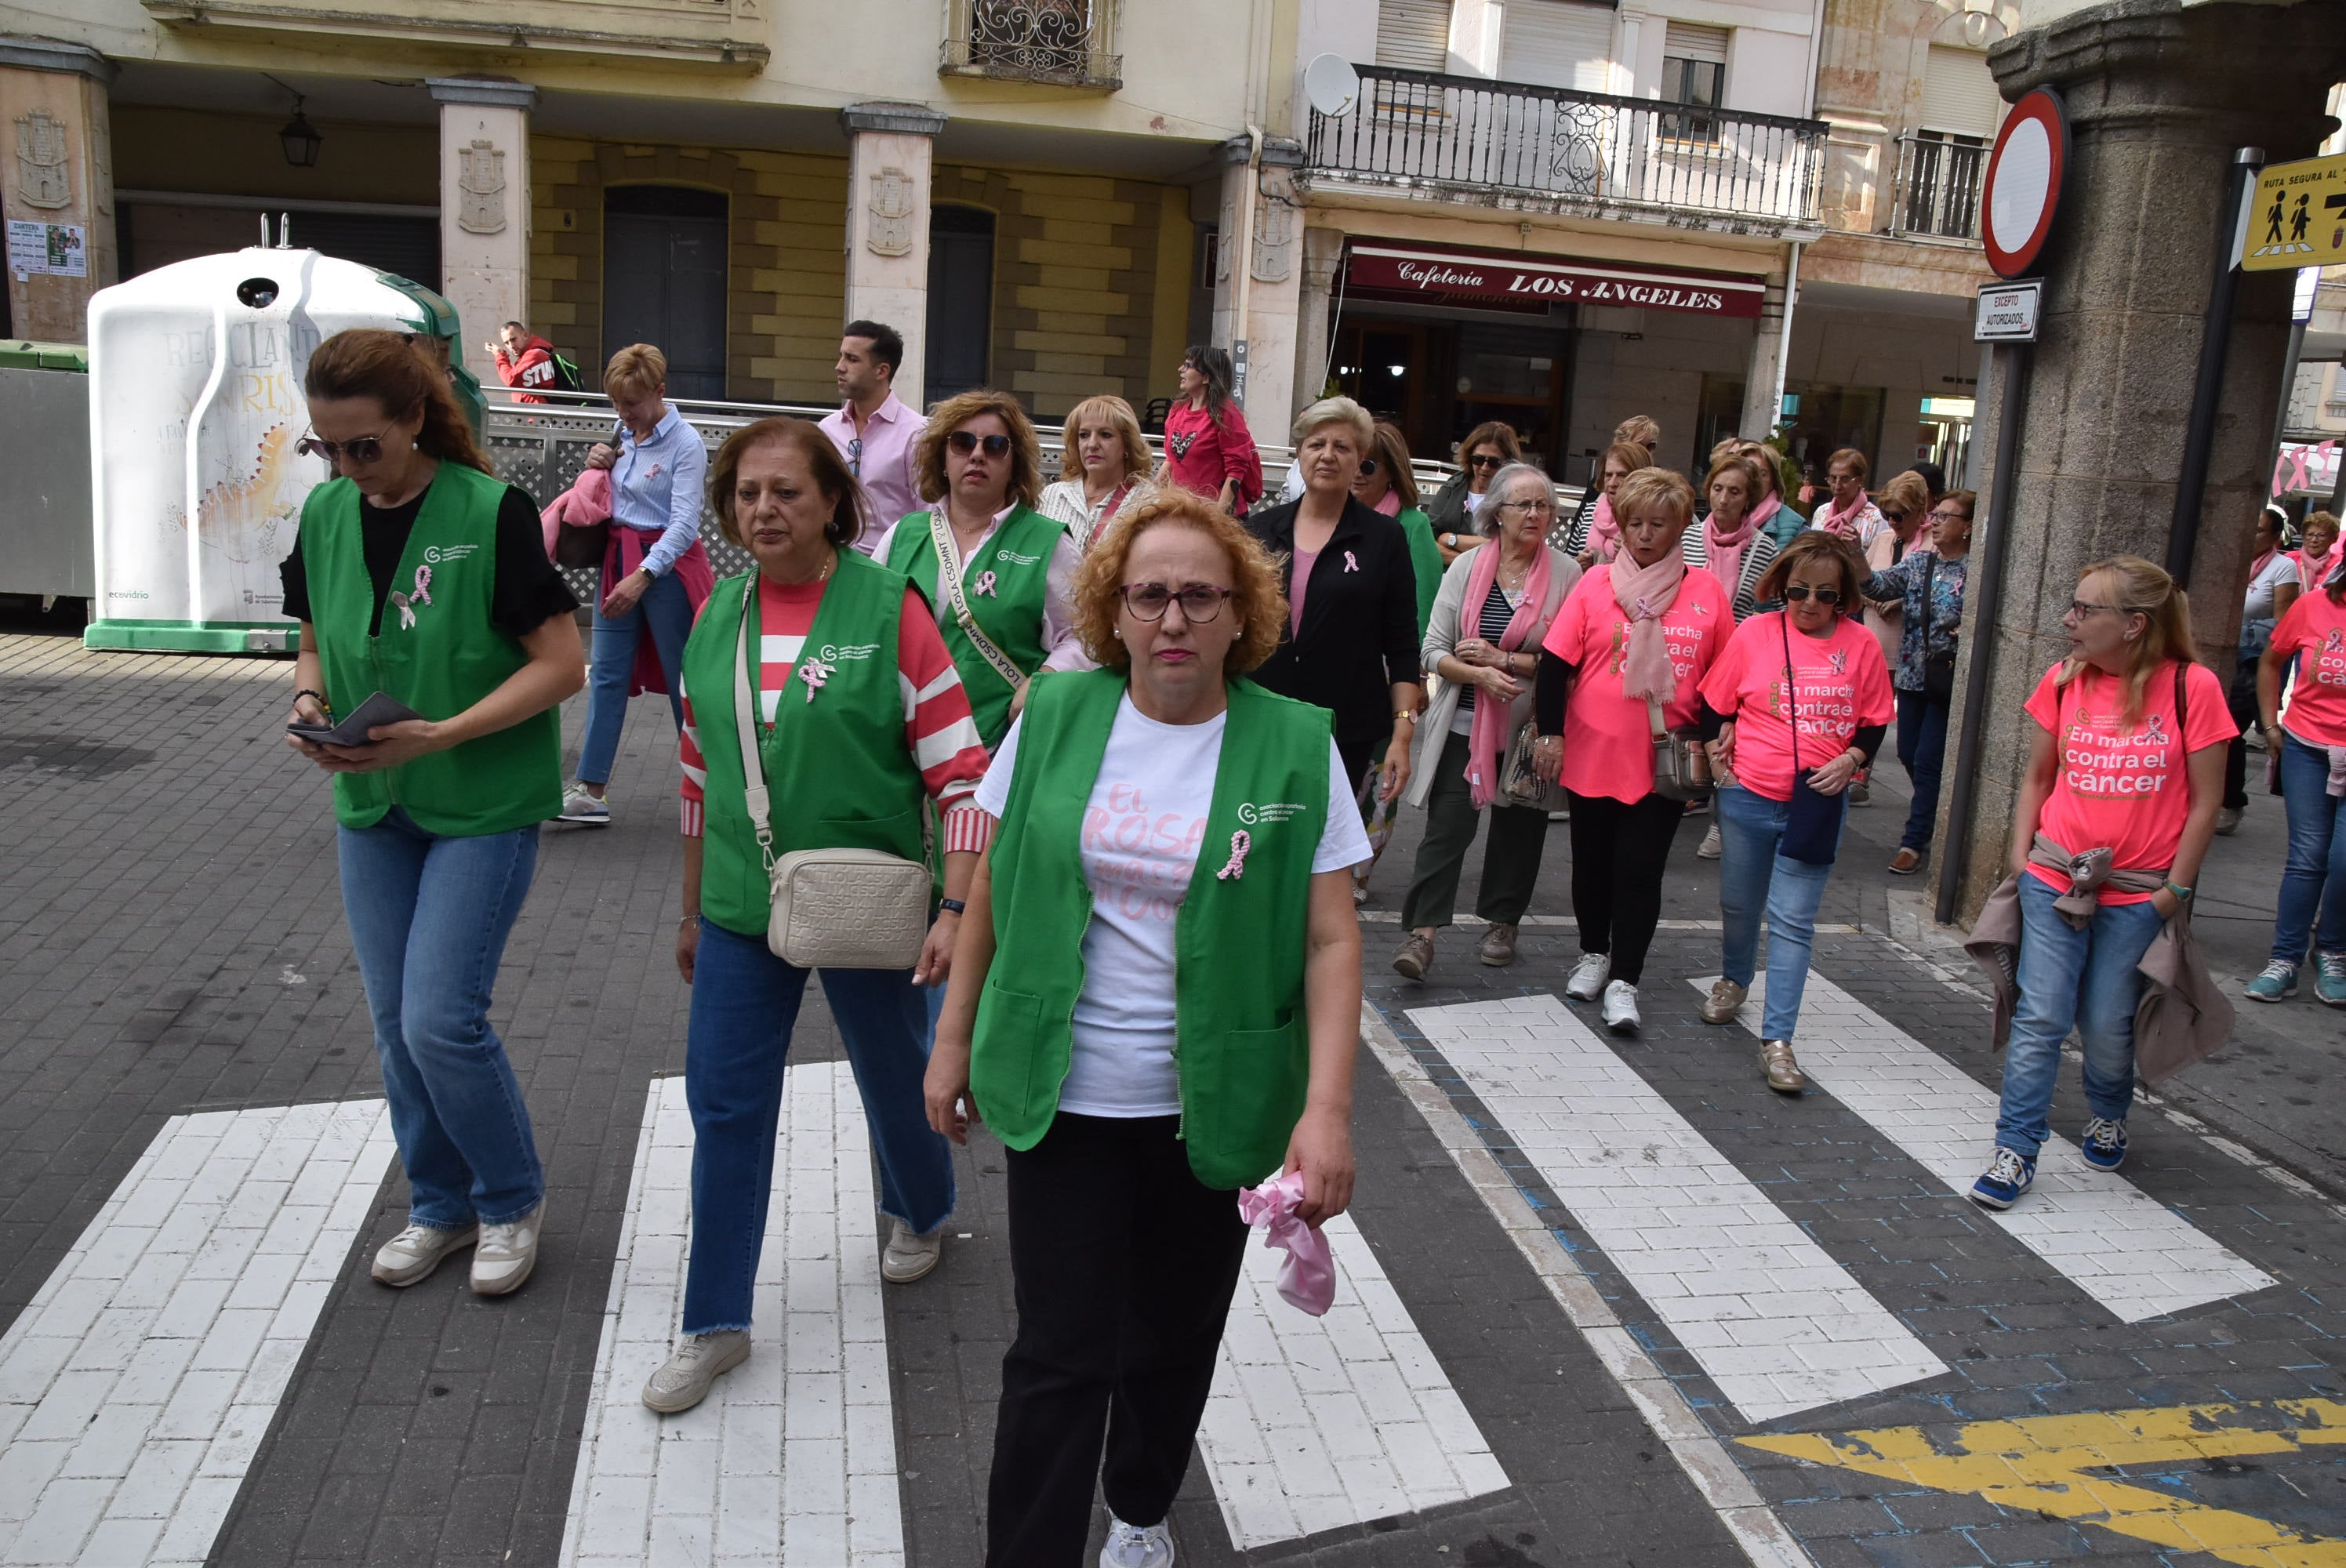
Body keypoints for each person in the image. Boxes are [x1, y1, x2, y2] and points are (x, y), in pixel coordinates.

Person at [923, 485, 1367, 1568]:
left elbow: (1330, 939)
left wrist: (1326, 1111)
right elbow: (993, 885)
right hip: (1065, 1089)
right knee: (1058, 1353)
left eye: (1201, 598)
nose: (1174, 620)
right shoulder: (1057, 715)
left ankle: (1138, 1506)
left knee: (1171, 1339)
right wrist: (950, 1039)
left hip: (1210, 1102)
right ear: (1111, 613)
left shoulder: (1296, 746)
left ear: (1241, 612)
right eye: (1150, 596)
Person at [643, 417, 990, 1415]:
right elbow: (699, 771)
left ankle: (920, 1203)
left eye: (787, 492)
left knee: (895, 1079)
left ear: (834, 501)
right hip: (742, 908)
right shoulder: (718, 614)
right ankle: (714, 1320)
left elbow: (962, 774)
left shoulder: (892, 610)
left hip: (867, 900)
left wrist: (957, 906)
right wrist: (691, 909)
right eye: (746, 494)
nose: (764, 510)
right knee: (724, 1103)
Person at [281, 328, 583, 1297]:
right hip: (371, 797)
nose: (345, 466)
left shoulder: (492, 511)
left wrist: (443, 732)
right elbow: (316, 635)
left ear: (415, 419)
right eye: (325, 447)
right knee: (390, 1019)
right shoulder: (328, 512)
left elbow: (563, 664)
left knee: (440, 1019)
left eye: (363, 444)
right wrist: (307, 701)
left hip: (481, 802)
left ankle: (508, 1199)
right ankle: (439, 1205)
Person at [1964, 557, 2229, 1210]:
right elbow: (2037, 778)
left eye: (2086, 610)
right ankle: (2015, 1148)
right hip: (2056, 876)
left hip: (2139, 890)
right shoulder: (2063, 680)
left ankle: (2109, 1110)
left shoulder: (2192, 688)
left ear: (2134, 625)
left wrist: (2176, 892)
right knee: (2042, 1013)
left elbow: (2205, 803)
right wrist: (2024, 858)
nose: (2068, 620)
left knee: (2107, 1021)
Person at [1529, 466, 1732, 1033]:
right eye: (1634, 522)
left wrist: (1722, 738)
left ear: (1679, 527)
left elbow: (1722, 678)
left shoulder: (1706, 593)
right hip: (1592, 750)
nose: (1644, 534)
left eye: (1658, 524)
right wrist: (1551, 733)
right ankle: (1594, 953)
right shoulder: (1594, 585)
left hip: (1663, 760)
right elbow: (1556, 666)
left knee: (1639, 871)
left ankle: (1626, 978)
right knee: (1591, 866)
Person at [1695, 532, 1893, 1091]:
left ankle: (1778, 1040)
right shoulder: (1754, 633)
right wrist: (1717, 756)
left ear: (1845, 597)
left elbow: (1875, 720)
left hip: (1817, 805)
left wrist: (1853, 758)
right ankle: (1733, 979)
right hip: (1747, 794)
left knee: (1793, 923)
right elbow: (1714, 704)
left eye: (1826, 595)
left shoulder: (1862, 647)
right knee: (1739, 903)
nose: (1809, 604)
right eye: (1798, 591)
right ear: (1781, 586)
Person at [1393, 463, 1581, 979]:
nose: (1537, 514)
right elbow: (1432, 652)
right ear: (1497, 512)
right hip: (1464, 727)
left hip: (1528, 732)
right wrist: (1475, 675)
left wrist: (1504, 661)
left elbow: (1569, 662)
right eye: (1525, 504)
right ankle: (1422, 934)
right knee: (1446, 830)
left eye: (1544, 505)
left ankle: (1503, 921)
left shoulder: (1567, 575)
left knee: (1519, 833)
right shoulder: (1467, 568)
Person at [875, 390, 1091, 750]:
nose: (977, 455)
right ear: (943, 458)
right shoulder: (903, 536)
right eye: (962, 443)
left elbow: (1088, 636)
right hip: (904, 745)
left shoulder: (1048, 542)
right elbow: (870, 627)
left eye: (994, 446)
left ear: (1013, 464)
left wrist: (1043, 682)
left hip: (998, 748)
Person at [561, 344, 717, 826]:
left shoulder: (685, 442)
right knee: (606, 675)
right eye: (617, 403)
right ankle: (590, 788)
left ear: (660, 391)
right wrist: (598, 463)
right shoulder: (624, 434)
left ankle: (710, 786)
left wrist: (644, 574)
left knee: (681, 683)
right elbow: (611, 497)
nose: (624, 413)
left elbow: (686, 523)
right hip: (618, 557)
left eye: (632, 403)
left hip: (665, 571)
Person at [1245, 396, 1425, 800]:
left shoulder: (1385, 538)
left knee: (1324, 846)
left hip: (1345, 726)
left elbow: (1402, 644)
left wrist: (1402, 733)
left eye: (1341, 447)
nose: (1327, 456)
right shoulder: (1258, 531)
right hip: (1260, 714)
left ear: (1360, 458)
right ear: (1299, 453)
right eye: (1316, 444)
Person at [2246, 546, 2346, 1006]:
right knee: (2309, 857)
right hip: (2308, 748)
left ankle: (2332, 951)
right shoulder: (2313, 606)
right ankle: (2284, 959)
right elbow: (2271, 661)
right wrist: (2270, 724)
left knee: (2344, 861)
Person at [1859, 490, 1975, 875]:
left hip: (1948, 677)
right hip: (1912, 676)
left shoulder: (1976, 571)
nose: (1937, 523)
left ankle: (1914, 839)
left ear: (1969, 526)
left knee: (1927, 760)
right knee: (1908, 753)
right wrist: (1852, 554)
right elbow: (1875, 586)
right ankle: (1936, 809)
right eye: (1936, 516)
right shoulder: (1920, 563)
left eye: (1947, 517)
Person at [2226, 506, 2302, 833]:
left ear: (2274, 536)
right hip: (2222, 656)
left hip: (2252, 660)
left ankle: (2230, 802)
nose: (2251, 534)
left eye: (2258, 530)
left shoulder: (2283, 568)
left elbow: (2283, 624)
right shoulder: (2230, 558)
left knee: (2231, 730)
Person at [818, 321, 926, 545]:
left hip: (889, 568)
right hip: (833, 562)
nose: (839, 366)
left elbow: (928, 515)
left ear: (882, 371)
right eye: (841, 356)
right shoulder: (827, 429)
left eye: (852, 359)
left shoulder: (916, 434)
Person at [1355, 419, 1445, 636]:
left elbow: (1423, 604)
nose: (1357, 473)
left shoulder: (1414, 525)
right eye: (1353, 461)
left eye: (1368, 466)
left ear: (1392, 471)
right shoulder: (1334, 518)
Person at [1039, 394, 1152, 551]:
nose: (1092, 444)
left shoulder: (1148, 503)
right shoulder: (1051, 495)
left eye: (1106, 435)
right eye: (1084, 435)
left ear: (1127, 444)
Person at [1160, 344, 1262, 515]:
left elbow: (1236, 471)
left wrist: (1218, 520)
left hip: (1216, 519)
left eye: (1188, 365)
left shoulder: (1227, 415)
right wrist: (1149, 497)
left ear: (1206, 377)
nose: (1181, 370)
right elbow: (1170, 460)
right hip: (1181, 514)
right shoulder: (1177, 410)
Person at [1690, 452, 1781, 622]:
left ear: (1749, 499)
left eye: (1734, 492)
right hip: (1688, 642)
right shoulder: (1687, 537)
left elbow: (1781, 608)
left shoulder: (1765, 549)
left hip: (1735, 644)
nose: (1723, 500)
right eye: (1717, 489)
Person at [1425, 421, 1523, 564]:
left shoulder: (1516, 495)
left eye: (1493, 462)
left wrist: (1451, 539)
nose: (1484, 467)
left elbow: (1509, 544)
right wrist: (1466, 563)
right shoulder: (1454, 486)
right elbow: (1427, 540)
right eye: (1478, 459)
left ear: (1508, 463)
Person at [1563, 440, 1653, 566]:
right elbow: (1568, 560)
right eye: (1608, 475)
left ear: (1640, 478)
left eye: (1622, 475)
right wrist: (1578, 563)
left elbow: (1658, 572)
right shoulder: (1590, 511)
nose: (1612, 483)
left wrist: (1632, 554)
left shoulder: (1651, 521)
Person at [1810, 447, 1889, 552]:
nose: (1837, 486)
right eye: (1833, 479)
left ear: (1860, 480)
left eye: (1845, 479)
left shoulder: (1877, 520)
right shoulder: (1821, 512)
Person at [2276, 509, 2340, 623]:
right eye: (2310, 535)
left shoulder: (2338, 566)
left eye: (2321, 535)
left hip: (2321, 623)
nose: (2314, 540)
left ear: (2333, 539)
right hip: (2288, 620)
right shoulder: (2290, 559)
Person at [487, 320, 561, 404]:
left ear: (525, 335)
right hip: (534, 413)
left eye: (513, 339)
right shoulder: (529, 355)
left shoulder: (535, 355)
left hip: (540, 414)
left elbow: (511, 379)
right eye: (507, 343)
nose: (511, 346)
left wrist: (500, 356)